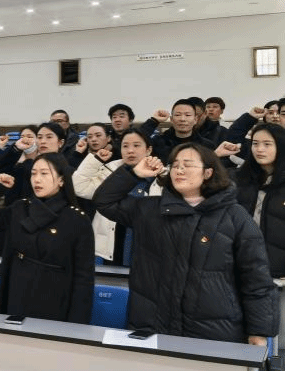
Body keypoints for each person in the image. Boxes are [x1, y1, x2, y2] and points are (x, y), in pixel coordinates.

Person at [93, 143, 278, 343]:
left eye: (187, 165)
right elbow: (104, 201)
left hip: (214, 334)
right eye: (175, 165)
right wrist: (134, 173)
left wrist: (258, 332)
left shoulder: (235, 217)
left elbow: (256, 279)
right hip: (152, 328)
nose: (179, 170)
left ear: (208, 173)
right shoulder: (150, 210)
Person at [0, 153, 94, 322]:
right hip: (17, 293)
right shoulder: (20, 208)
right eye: (33, 173)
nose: (37, 179)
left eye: (44, 173)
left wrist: (77, 322)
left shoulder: (77, 219)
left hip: (56, 299)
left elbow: (84, 277)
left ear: (61, 180)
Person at [72, 128, 160, 265]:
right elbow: (79, 187)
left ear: (148, 150)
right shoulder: (110, 171)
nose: (130, 150)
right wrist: (96, 160)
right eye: (125, 146)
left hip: (146, 251)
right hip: (110, 249)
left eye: (136, 145)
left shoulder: (161, 176)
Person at [231, 123, 284, 279]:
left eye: (267, 144)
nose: (259, 149)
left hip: (278, 273)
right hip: (243, 268)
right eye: (255, 144)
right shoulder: (239, 179)